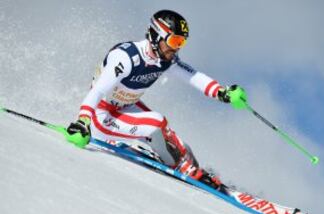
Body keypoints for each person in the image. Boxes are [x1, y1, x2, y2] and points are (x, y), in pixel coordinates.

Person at [66, 10, 247, 190]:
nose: (176, 48)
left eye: (181, 42)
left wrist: (221, 92)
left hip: (125, 108)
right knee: (157, 123)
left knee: (181, 147)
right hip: (102, 115)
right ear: (156, 35)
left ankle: (193, 171)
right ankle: (183, 169)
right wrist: (83, 121)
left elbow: (192, 76)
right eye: (174, 41)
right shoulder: (126, 57)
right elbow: (98, 91)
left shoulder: (165, 59)